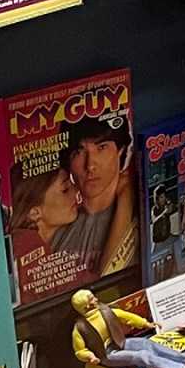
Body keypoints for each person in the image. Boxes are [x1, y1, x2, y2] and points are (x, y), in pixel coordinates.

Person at [70, 288, 185, 368]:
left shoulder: (106, 311)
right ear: (86, 305)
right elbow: (80, 351)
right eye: (92, 299)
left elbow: (127, 317)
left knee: (146, 343)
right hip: (107, 354)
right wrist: (90, 357)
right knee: (141, 355)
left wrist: (145, 324)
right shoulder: (80, 327)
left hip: (120, 342)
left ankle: (183, 358)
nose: (96, 299)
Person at [67, 113, 137, 278]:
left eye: (101, 148)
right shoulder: (57, 220)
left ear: (121, 150)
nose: (90, 165)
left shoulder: (139, 212)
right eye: (79, 151)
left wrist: (126, 197)